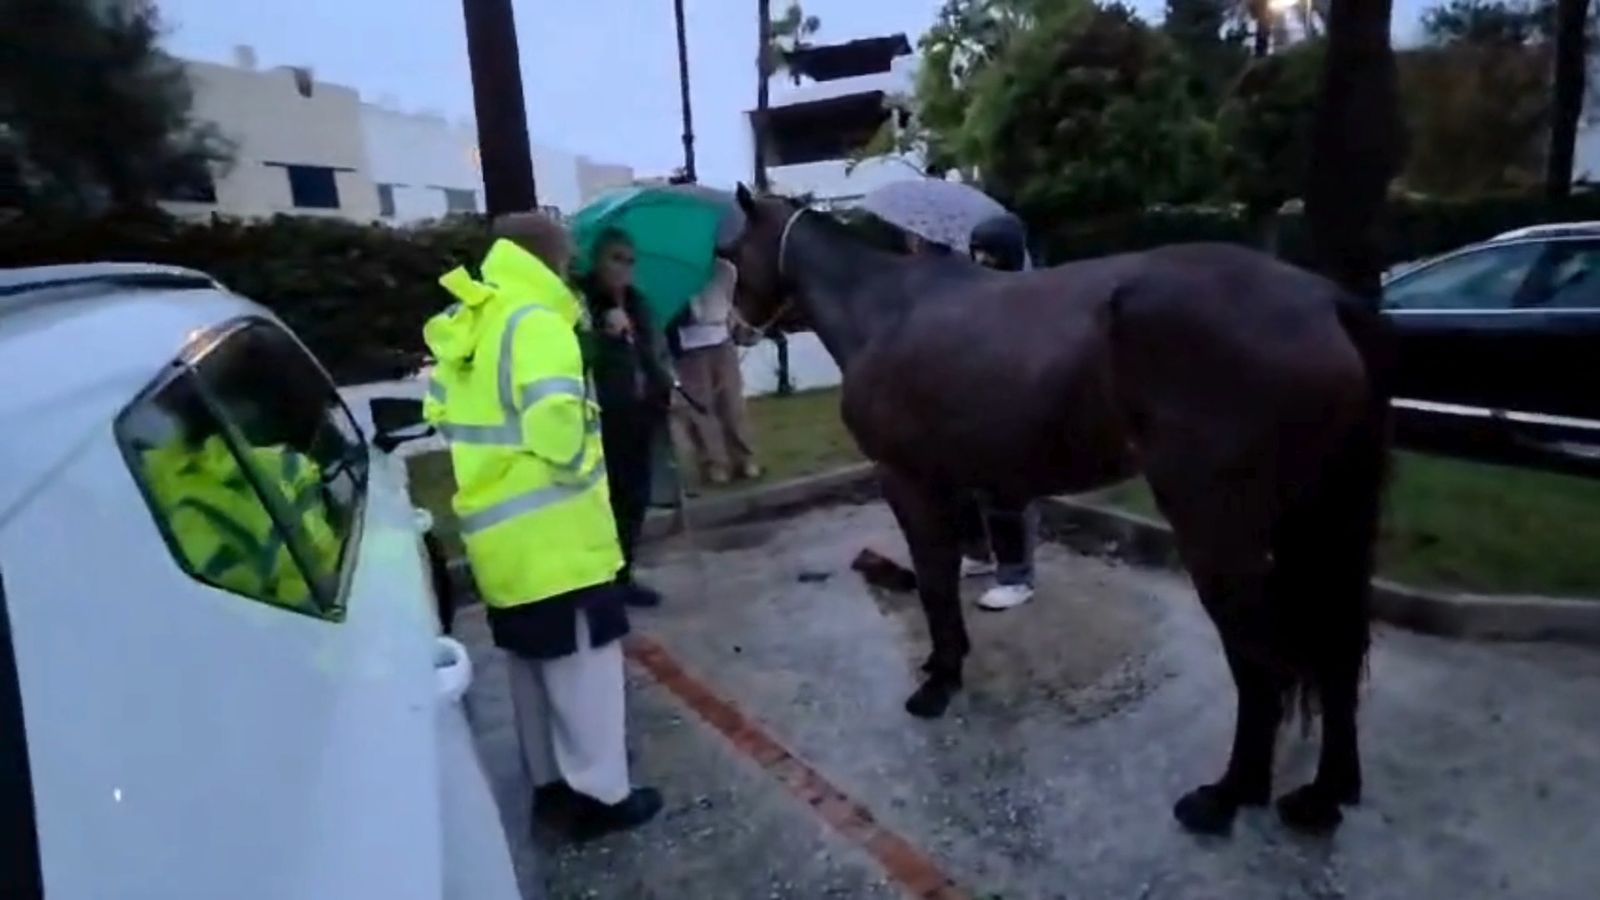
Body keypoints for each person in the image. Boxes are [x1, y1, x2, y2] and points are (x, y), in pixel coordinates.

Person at [423, 212, 662, 839]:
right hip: (557, 534)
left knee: (532, 666)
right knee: (586, 672)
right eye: (567, 252)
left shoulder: (475, 317)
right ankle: (603, 795)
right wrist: (589, 466)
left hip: (498, 532)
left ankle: (550, 785)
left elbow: (444, 414)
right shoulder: (538, 322)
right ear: (552, 257)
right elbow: (558, 432)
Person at [579, 228, 676, 609]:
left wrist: (664, 385)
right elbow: (576, 353)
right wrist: (604, 331)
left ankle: (623, 573)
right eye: (616, 259)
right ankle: (600, 580)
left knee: (635, 497)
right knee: (604, 500)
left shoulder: (638, 302)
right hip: (601, 414)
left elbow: (653, 351)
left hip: (641, 411)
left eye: (630, 261)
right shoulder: (582, 301)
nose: (624, 268)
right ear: (598, 260)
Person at [957, 212, 1040, 611]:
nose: (979, 261)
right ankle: (978, 554)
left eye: (988, 254)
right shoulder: (977, 290)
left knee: (1008, 490)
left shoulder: (1032, 293)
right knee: (964, 483)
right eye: (975, 253)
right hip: (975, 402)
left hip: (1019, 405)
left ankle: (1017, 577)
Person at [668, 255, 761, 485]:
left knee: (732, 402)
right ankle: (713, 463)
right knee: (700, 406)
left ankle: (743, 458)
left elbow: (727, 304)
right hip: (689, 344)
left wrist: (741, 327)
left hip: (721, 340)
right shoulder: (672, 271)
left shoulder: (724, 269)